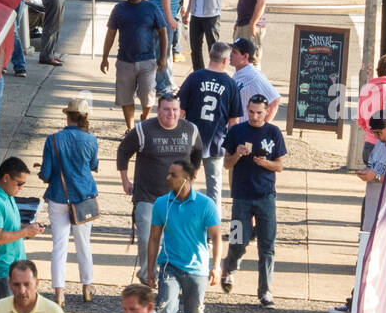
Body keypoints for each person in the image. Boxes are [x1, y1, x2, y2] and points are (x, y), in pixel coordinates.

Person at [329, 104, 386, 313]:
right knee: (367, 260)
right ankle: (359, 302)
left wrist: (375, 177)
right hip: (373, 213)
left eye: (379, 132)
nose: (376, 137)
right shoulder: (379, 145)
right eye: (374, 133)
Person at [117, 93, 203, 279]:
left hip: (178, 199)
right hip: (148, 196)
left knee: (177, 239)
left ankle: (169, 276)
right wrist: (125, 180)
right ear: (158, 110)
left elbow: (197, 153)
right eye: (166, 109)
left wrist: (193, 176)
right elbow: (123, 151)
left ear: (180, 111)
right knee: (147, 238)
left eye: (174, 110)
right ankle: (148, 274)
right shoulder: (143, 130)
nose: (170, 114)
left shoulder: (191, 130)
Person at [221, 95, 287, 306]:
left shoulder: (273, 132)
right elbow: (226, 164)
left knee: (267, 246)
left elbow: (279, 166)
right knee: (237, 239)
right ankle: (229, 268)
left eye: (259, 112)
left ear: (266, 112)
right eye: (251, 112)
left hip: (266, 197)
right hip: (241, 197)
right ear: (247, 110)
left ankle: (265, 290)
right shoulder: (237, 131)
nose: (255, 116)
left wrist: (264, 163)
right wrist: (238, 155)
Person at [145, 159, 222, 313]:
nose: (167, 177)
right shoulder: (161, 203)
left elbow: (217, 237)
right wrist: (150, 268)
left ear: (187, 178)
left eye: (173, 175)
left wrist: (216, 267)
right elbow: (154, 238)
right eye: (168, 173)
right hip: (169, 266)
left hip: (197, 269)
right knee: (163, 311)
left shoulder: (206, 204)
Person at [39, 95, 99, 305]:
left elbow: (46, 173)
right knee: (84, 244)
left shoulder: (53, 140)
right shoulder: (91, 140)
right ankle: (87, 286)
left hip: (58, 196)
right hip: (83, 197)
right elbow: (93, 165)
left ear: (68, 117)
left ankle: (59, 293)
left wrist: (44, 174)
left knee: (59, 246)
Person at [178, 41, 243, 215]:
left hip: (191, 140)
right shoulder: (230, 84)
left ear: (210, 55)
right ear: (225, 60)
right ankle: (212, 228)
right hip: (216, 142)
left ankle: (181, 218)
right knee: (214, 186)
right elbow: (233, 121)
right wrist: (232, 145)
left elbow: (180, 111)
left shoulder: (194, 77)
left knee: (185, 181)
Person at [101, 0, 169, 131]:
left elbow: (163, 32)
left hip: (147, 61)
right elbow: (110, 34)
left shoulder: (151, 8)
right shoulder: (119, 9)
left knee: (147, 96)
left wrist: (163, 57)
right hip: (125, 60)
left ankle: (144, 117)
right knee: (126, 97)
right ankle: (130, 128)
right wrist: (104, 57)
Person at [0, 157, 45, 300]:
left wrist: (29, 229)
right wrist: (25, 231)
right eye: (19, 184)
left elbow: (11, 228)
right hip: (2, 271)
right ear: (6, 178)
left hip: (15, 268)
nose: (21, 188)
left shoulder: (7, 196)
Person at [357, 54, 386, 163]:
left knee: (371, 178)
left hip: (368, 145)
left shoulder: (366, 88)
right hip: (384, 147)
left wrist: (370, 132)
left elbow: (360, 120)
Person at [228, 38, 282, 124]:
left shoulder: (254, 77)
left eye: (234, 52)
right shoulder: (238, 73)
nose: (230, 55)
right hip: (236, 131)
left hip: (246, 132)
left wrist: (262, 128)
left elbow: (275, 100)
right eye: (231, 51)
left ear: (245, 56)